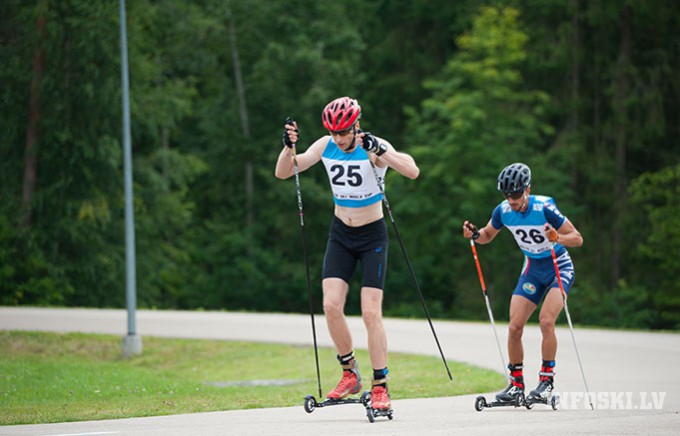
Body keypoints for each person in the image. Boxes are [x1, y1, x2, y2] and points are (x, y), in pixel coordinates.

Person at [275, 96, 419, 411]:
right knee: (331, 305)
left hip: (372, 236)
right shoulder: (325, 145)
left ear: (356, 126)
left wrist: (381, 151)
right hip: (341, 233)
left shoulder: (372, 146)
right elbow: (284, 172)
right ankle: (349, 372)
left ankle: (380, 385)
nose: (339, 139)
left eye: (343, 132)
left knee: (370, 313)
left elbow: (412, 170)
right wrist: (288, 148)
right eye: (334, 132)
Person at [462, 162, 583, 403]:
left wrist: (557, 237)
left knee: (546, 321)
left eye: (516, 194)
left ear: (527, 189)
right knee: (514, 327)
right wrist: (475, 234)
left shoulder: (544, 208)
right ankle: (516, 385)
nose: (511, 200)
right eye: (506, 195)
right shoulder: (503, 211)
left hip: (558, 267)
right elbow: (487, 235)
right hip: (532, 270)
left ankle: (546, 381)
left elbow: (577, 238)